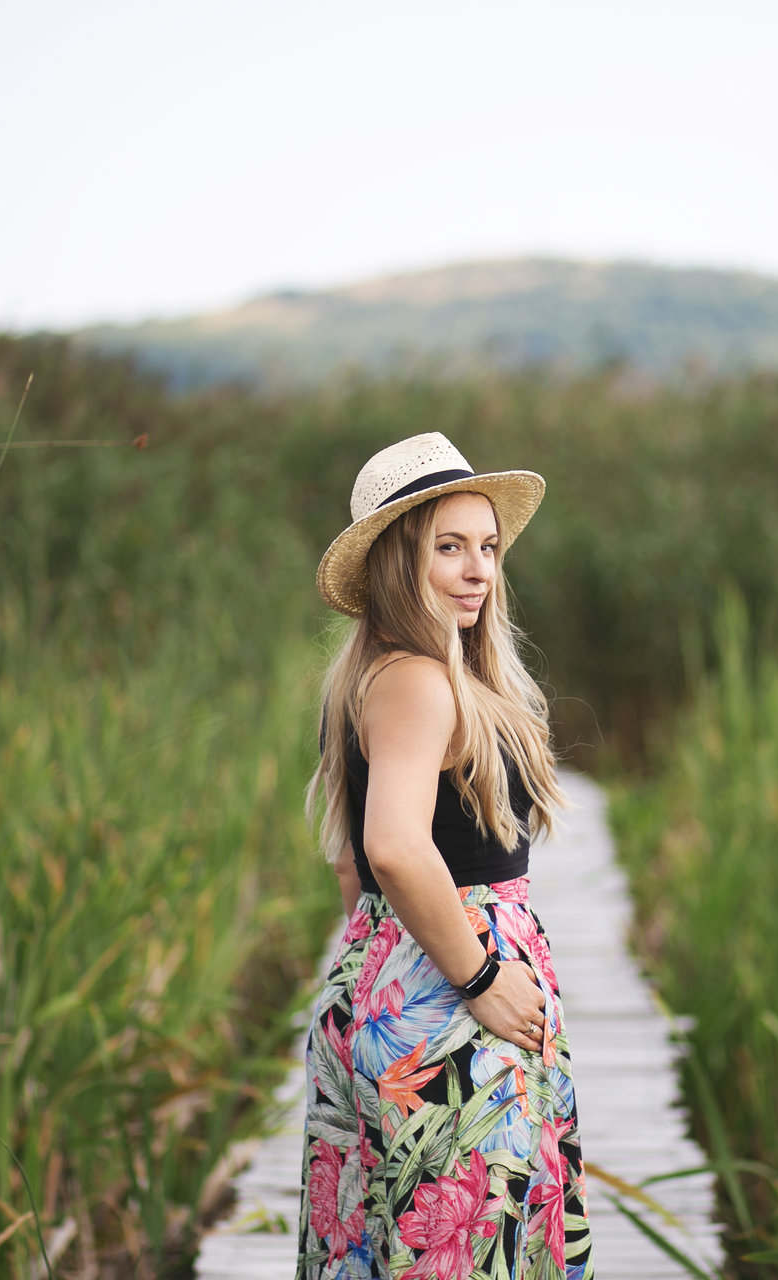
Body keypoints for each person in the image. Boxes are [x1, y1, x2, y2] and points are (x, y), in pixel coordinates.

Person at [295, 432, 594, 1280]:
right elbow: (390, 847)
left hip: (404, 984)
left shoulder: (375, 675)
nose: (478, 570)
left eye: (488, 548)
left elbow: (350, 868)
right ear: (399, 561)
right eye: (449, 548)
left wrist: (391, 975)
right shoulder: (419, 681)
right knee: (465, 1248)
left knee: (393, 1246)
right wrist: (480, 976)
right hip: (449, 1003)